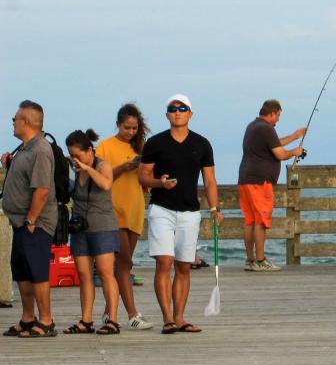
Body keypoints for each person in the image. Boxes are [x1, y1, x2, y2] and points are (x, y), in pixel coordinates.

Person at [139, 94, 223, 335]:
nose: (177, 112)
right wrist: (158, 182)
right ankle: (167, 318)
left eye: (182, 108)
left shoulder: (202, 144)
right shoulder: (155, 143)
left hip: (190, 212)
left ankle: (179, 318)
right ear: (167, 114)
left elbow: (209, 180)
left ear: (190, 114)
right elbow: (142, 176)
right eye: (172, 108)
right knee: (164, 262)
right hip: (161, 209)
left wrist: (215, 208)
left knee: (183, 266)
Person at [95, 103, 155, 329]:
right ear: (118, 124)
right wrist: (125, 166)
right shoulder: (105, 146)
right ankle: (132, 315)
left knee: (125, 266)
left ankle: (109, 311)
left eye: (134, 128)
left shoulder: (141, 147)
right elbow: (101, 177)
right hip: (112, 210)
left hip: (135, 209)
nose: (130, 132)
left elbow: (146, 178)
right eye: (126, 127)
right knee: (124, 262)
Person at [1, 101, 58, 338]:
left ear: (26, 121)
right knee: (22, 272)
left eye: (15, 119)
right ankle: (28, 318)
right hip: (20, 222)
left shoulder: (41, 150)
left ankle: (46, 321)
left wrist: (31, 220)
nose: (13, 122)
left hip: (35, 223)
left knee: (37, 271)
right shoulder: (25, 149)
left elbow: (42, 190)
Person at [62, 130, 121, 335]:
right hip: (80, 228)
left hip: (103, 226)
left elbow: (106, 184)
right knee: (84, 274)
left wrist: (87, 167)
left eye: (77, 155)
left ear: (89, 151)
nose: (74, 159)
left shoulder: (102, 165)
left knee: (105, 273)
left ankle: (112, 319)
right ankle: (86, 320)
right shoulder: (73, 168)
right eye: (71, 155)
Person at [238, 99, 306, 272]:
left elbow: (275, 143)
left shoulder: (253, 126)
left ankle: (250, 260)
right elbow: (280, 154)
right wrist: (295, 152)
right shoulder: (266, 129)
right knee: (261, 221)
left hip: (246, 179)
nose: (278, 120)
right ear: (272, 113)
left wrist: (295, 136)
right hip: (260, 182)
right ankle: (260, 260)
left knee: (250, 221)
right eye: (278, 116)